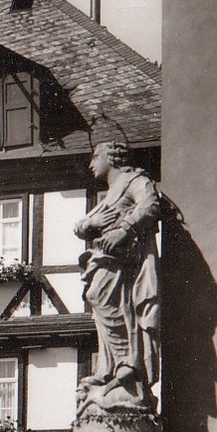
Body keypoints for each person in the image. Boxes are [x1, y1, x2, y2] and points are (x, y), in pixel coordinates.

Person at [74, 140, 162, 414]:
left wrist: (124, 229)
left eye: (95, 157)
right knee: (100, 306)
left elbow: (150, 206)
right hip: (103, 261)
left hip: (123, 265)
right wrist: (92, 224)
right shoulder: (110, 193)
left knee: (120, 311)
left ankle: (129, 369)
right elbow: (80, 226)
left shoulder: (136, 180)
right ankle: (110, 368)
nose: (91, 164)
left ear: (111, 157)